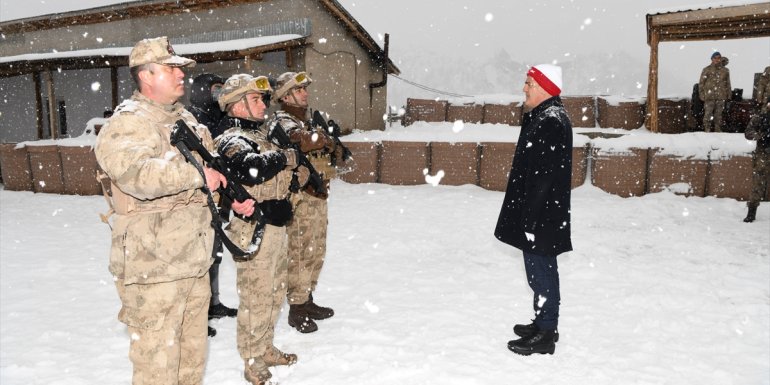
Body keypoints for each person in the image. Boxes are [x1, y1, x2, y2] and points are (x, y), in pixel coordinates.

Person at [95, 37, 255, 384]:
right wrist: (198, 175)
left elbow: (212, 175)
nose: (182, 74)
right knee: (157, 367)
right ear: (147, 75)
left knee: (191, 361)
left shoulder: (188, 121)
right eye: (172, 68)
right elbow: (137, 175)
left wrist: (231, 197)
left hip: (193, 262)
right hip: (153, 266)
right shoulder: (128, 123)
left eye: (181, 68)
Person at [215, 74, 308, 385]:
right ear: (236, 105)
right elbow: (251, 169)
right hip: (252, 230)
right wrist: (284, 157)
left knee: (274, 292)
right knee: (256, 297)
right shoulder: (231, 138)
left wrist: (293, 176)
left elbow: (275, 173)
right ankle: (252, 361)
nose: (263, 104)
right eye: (255, 99)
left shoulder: (261, 136)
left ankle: (265, 347)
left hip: (274, 225)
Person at [494, 64, 573, 356]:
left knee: (541, 272)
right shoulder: (544, 116)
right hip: (541, 212)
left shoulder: (550, 120)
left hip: (541, 215)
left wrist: (530, 217)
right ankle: (542, 322)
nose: (524, 88)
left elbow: (543, 176)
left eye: (529, 83)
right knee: (538, 271)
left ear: (544, 87)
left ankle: (545, 333)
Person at [267, 71, 339, 333]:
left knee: (316, 250)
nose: (305, 93)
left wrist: (329, 141)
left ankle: (307, 299)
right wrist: (324, 139)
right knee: (300, 252)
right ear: (285, 96)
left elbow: (320, 146)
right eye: (299, 90)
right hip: (299, 197)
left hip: (317, 196)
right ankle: (297, 308)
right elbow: (304, 142)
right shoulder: (282, 122)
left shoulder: (305, 122)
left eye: (305, 89)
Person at [188, 73, 237, 338]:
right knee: (200, 257)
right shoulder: (192, 116)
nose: (220, 93)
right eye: (216, 89)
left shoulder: (218, 117)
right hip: (199, 197)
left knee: (215, 253)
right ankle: (196, 313)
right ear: (202, 91)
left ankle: (213, 304)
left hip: (219, 196)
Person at [743, 97, 770, 223]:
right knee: (757, 183)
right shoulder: (760, 118)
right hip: (763, 154)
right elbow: (748, 132)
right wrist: (761, 134)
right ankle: (751, 211)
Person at [698, 51, 732, 132]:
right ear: (712, 59)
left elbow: (728, 83)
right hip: (709, 96)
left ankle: (718, 130)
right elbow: (701, 83)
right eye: (715, 58)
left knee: (719, 115)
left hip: (721, 96)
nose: (717, 60)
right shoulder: (706, 69)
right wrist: (702, 95)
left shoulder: (725, 70)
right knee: (708, 114)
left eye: (719, 58)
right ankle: (707, 129)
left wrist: (729, 95)